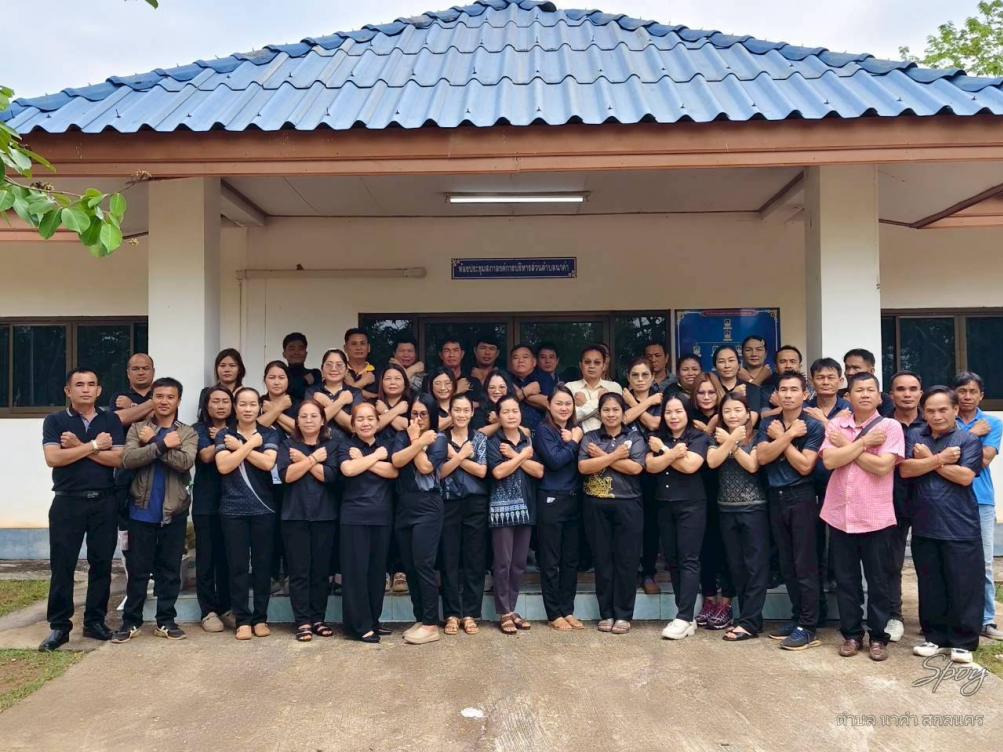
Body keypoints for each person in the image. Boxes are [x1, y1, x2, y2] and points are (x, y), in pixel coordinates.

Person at [819, 372, 904, 662]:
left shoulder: (890, 426)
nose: (865, 394)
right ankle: (851, 635)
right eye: (859, 390)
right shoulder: (837, 424)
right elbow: (830, 461)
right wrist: (864, 442)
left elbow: (882, 467)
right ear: (849, 396)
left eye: (870, 390)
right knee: (846, 580)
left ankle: (878, 637)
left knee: (878, 581)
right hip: (840, 515)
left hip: (875, 516)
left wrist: (847, 446)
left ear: (880, 396)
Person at [39, 369, 125, 652]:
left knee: (101, 564)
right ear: (68, 390)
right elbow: (54, 458)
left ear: (99, 391)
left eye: (91, 384)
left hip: (104, 501)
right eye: (79, 384)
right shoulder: (55, 420)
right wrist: (95, 445)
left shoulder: (110, 420)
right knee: (62, 565)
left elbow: (118, 459)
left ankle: (95, 621)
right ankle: (59, 626)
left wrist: (78, 448)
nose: (85, 389)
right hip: (68, 502)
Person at [900, 386, 985, 665]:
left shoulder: (967, 440)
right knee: (930, 585)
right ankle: (934, 637)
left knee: (963, 585)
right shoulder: (916, 436)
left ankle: (963, 641)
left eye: (943, 410)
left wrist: (927, 461)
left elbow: (964, 476)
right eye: (931, 411)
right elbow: (906, 469)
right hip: (925, 523)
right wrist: (938, 459)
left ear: (955, 410)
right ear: (923, 413)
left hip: (960, 525)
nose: (937, 416)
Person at [113, 377, 198, 643]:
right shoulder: (138, 428)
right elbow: (128, 459)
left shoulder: (187, 433)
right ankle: (131, 621)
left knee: (170, 570)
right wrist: (161, 444)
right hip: (141, 509)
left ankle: (166, 621)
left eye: (170, 397)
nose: (164, 401)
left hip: (174, 510)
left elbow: (185, 462)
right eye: (159, 396)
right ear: (152, 399)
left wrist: (154, 443)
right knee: (138, 570)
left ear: (178, 400)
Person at [756, 372, 825, 651]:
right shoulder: (769, 424)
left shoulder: (812, 426)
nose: (787, 394)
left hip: (802, 497)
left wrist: (780, 440)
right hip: (776, 496)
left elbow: (806, 466)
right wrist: (787, 436)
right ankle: (798, 617)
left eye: (794, 389)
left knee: (804, 563)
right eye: (783, 389)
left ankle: (808, 626)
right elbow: (762, 457)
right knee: (787, 563)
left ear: (805, 394)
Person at [215, 387, 280, 640]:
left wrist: (241, 447)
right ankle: (242, 619)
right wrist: (251, 444)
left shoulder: (269, 433)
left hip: (264, 509)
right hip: (232, 510)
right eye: (242, 404)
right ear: (235, 407)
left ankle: (260, 618)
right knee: (238, 566)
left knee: (263, 566)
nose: (248, 409)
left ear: (259, 407)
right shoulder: (225, 434)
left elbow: (268, 463)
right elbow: (224, 466)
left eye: (253, 404)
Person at [578, 393, 646, 634]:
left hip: (628, 504)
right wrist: (616, 456)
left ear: (623, 412)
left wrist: (601, 456)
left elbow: (635, 468)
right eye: (606, 410)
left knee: (627, 561)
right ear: (599, 413)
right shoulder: (590, 437)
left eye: (615, 409)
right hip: (596, 505)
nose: (611, 414)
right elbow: (584, 467)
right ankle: (606, 613)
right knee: (602, 560)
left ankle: (624, 615)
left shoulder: (634, 437)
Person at [647, 395, 711, 640]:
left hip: (691, 505)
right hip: (664, 504)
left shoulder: (698, 437)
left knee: (689, 560)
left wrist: (664, 452)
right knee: (672, 560)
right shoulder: (658, 437)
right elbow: (651, 466)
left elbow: (690, 466)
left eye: (678, 411)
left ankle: (683, 617)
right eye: (668, 412)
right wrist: (673, 453)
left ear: (687, 413)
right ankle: (686, 616)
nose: (673, 416)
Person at [277, 399, 340, 642]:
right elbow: (287, 476)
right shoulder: (287, 445)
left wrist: (303, 460)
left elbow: (329, 476)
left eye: (314, 416)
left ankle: (318, 619)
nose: (309, 420)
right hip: (294, 516)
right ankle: (302, 621)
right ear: (297, 421)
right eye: (303, 416)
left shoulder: (332, 446)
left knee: (320, 572)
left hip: (325, 515)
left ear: (323, 420)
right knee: (299, 571)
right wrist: (313, 459)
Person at [707, 393, 768, 641]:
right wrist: (730, 439)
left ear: (747, 413)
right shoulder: (716, 437)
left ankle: (749, 622)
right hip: (726, 509)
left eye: (737, 410)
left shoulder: (758, 436)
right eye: (727, 411)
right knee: (737, 567)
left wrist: (731, 442)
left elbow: (752, 465)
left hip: (754, 508)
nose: (732, 415)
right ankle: (749, 619)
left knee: (755, 567)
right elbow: (713, 461)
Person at [338, 403, 399, 643]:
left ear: (377, 421)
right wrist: (374, 458)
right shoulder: (345, 445)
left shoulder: (388, 444)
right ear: (353, 425)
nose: (365, 423)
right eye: (360, 419)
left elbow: (393, 471)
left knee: (376, 572)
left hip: (382, 516)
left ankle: (373, 620)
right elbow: (348, 470)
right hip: (354, 517)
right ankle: (359, 625)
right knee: (356, 573)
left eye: (370, 418)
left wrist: (364, 460)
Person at [487, 396, 544, 634]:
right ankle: (504, 612)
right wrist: (520, 456)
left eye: (515, 411)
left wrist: (514, 456)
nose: (511, 415)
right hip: (501, 511)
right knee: (503, 562)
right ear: (498, 416)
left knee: (519, 563)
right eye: (506, 411)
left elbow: (539, 471)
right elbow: (498, 472)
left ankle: (512, 607)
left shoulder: (528, 439)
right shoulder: (494, 442)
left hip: (526, 508)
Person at [391, 394, 445, 645]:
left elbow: (425, 467)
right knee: (410, 566)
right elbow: (397, 460)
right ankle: (421, 617)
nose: (418, 418)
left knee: (424, 564)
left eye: (424, 414)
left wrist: (417, 440)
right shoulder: (401, 436)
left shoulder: (439, 438)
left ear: (432, 415)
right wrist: (416, 441)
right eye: (414, 413)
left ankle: (431, 624)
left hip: (428, 506)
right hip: (404, 505)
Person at [953, 371, 1003, 641]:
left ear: (981, 395)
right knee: (952, 562)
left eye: (973, 391)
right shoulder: (945, 418)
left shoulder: (992, 423)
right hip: (950, 499)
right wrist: (972, 434)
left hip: (981, 499)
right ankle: (954, 617)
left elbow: (982, 461)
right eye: (962, 391)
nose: (967, 396)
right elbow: (941, 451)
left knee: (983, 563)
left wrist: (955, 446)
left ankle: (986, 619)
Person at [803, 357, 851, 623]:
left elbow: (849, 442)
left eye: (831, 377)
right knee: (812, 542)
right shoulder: (804, 407)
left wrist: (823, 421)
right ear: (812, 381)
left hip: (841, 483)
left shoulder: (850, 408)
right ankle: (817, 603)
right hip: (809, 483)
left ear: (840, 380)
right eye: (820, 377)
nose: (825, 382)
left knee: (840, 543)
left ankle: (840, 597)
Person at [534, 386, 585, 631]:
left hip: (574, 499)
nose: (564, 408)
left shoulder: (576, 429)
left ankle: (568, 609)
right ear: (549, 405)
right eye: (559, 403)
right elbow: (554, 461)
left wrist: (574, 439)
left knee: (570, 560)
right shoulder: (544, 430)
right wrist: (573, 442)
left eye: (568, 404)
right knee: (550, 560)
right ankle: (553, 613)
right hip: (551, 499)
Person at [438, 394, 489, 636]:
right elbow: (439, 473)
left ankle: (470, 613)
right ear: (450, 412)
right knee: (449, 559)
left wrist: (455, 458)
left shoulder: (479, 438)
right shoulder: (440, 439)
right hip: (448, 502)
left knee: (474, 559)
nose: (460, 414)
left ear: (471, 413)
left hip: (475, 503)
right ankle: (451, 613)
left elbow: (482, 471)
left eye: (465, 410)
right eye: (456, 410)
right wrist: (461, 456)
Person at [192, 385, 234, 633]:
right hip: (206, 502)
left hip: (233, 502)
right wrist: (225, 438)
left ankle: (227, 607)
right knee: (206, 558)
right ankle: (207, 610)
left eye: (225, 401)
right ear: (206, 405)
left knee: (228, 557)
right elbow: (207, 456)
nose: (220, 405)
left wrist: (225, 436)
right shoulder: (198, 429)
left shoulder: (237, 427)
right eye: (215, 401)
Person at [887, 370, 924, 642]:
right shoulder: (883, 424)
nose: (907, 394)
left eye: (912, 389)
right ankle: (894, 616)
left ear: (921, 393)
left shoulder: (932, 422)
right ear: (891, 395)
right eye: (901, 389)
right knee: (891, 564)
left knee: (928, 564)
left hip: (928, 503)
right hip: (891, 501)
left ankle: (931, 618)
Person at [621, 358, 663, 596]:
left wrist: (635, 402)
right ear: (628, 378)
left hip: (653, 470)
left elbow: (655, 423)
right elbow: (624, 419)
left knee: (651, 524)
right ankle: (628, 572)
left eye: (645, 375)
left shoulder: (662, 400)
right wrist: (642, 402)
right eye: (635, 375)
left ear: (652, 377)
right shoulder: (621, 400)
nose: (639, 379)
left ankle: (648, 572)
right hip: (625, 467)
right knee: (628, 524)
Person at [566, 344, 624, 433]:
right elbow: (568, 418)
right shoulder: (570, 387)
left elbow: (617, 418)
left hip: (609, 438)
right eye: (587, 362)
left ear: (604, 366)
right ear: (581, 365)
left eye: (597, 362)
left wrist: (584, 406)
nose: (592, 366)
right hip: (577, 439)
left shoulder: (614, 387)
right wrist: (598, 401)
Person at [307, 349, 363, 435]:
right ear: (322, 369)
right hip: (318, 442)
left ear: (346, 370)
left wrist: (327, 402)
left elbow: (354, 427)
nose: (333, 369)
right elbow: (310, 424)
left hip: (347, 443)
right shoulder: (312, 392)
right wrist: (341, 401)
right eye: (329, 365)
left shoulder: (355, 393)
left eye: (339, 365)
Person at [712, 346, 761, 426]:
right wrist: (733, 394)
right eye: (721, 361)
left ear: (739, 364)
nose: (727, 365)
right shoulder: (710, 389)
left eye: (731, 360)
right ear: (715, 366)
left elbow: (751, 421)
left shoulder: (752, 389)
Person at [841, 349, 894, 416]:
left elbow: (885, 422)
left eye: (856, 368)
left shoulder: (883, 399)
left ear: (871, 371)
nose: (850, 372)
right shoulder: (837, 397)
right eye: (847, 368)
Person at [109, 354, 156, 427]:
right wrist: (152, 404)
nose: (141, 373)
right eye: (135, 369)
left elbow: (160, 420)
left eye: (145, 368)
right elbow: (117, 419)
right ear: (128, 373)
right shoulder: (119, 397)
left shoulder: (162, 395)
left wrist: (131, 406)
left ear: (153, 372)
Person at [760, 346, 806, 419]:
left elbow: (812, 414)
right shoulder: (767, 389)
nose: (788, 366)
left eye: (792, 361)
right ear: (776, 367)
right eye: (783, 362)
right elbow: (764, 415)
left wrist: (781, 404)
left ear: (799, 366)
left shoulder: (809, 388)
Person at [509, 343, 548, 431]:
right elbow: (504, 403)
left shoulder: (544, 378)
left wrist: (519, 394)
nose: (520, 360)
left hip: (540, 431)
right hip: (512, 431)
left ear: (534, 362)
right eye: (516, 358)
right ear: (511, 363)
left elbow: (549, 403)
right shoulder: (506, 378)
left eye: (525, 357)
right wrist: (526, 391)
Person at [259, 360, 297, 437]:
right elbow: (255, 429)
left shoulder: (298, 404)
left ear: (288, 380)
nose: (276, 382)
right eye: (272, 378)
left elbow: (302, 431)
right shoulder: (258, 402)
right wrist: (280, 407)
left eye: (281, 378)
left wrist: (272, 410)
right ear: (265, 380)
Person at [282, 332, 322, 402]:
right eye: (292, 349)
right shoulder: (280, 375)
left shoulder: (314, 374)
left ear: (306, 354)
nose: (296, 352)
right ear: (284, 354)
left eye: (300, 349)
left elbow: (315, 397)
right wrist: (306, 382)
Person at [473, 370, 514, 436]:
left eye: (501, 387)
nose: (497, 391)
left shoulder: (516, 409)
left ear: (508, 388)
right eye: (492, 387)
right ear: (486, 390)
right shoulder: (478, 412)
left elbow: (526, 432)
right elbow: (478, 436)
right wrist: (500, 423)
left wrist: (499, 421)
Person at [437, 338, 479, 403]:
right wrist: (457, 391)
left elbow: (483, 404)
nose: (451, 355)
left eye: (455, 350)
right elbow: (429, 406)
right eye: (447, 351)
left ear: (462, 354)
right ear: (441, 355)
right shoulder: (431, 381)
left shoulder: (472, 382)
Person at [375, 364, 413, 434]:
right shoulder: (374, 404)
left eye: (397, 378)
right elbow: (372, 427)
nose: (392, 382)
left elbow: (410, 427)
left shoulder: (414, 403)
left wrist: (384, 411)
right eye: (388, 378)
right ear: (381, 383)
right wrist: (397, 410)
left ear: (405, 383)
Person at [343, 328, 378, 400]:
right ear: (345, 348)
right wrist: (363, 382)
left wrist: (351, 386)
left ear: (368, 348)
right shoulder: (337, 371)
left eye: (362, 343)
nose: (358, 348)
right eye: (354, 344)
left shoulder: (379, 373)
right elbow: (335, 397)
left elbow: (382, 399)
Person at [425, 367, 456, 431]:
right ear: (431, 386)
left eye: (447, 383)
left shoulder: (462, 404)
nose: (443, 388)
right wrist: (452, 419)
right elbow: (428, 430)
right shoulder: (426, 408)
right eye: (437, 383)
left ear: (453, 384)